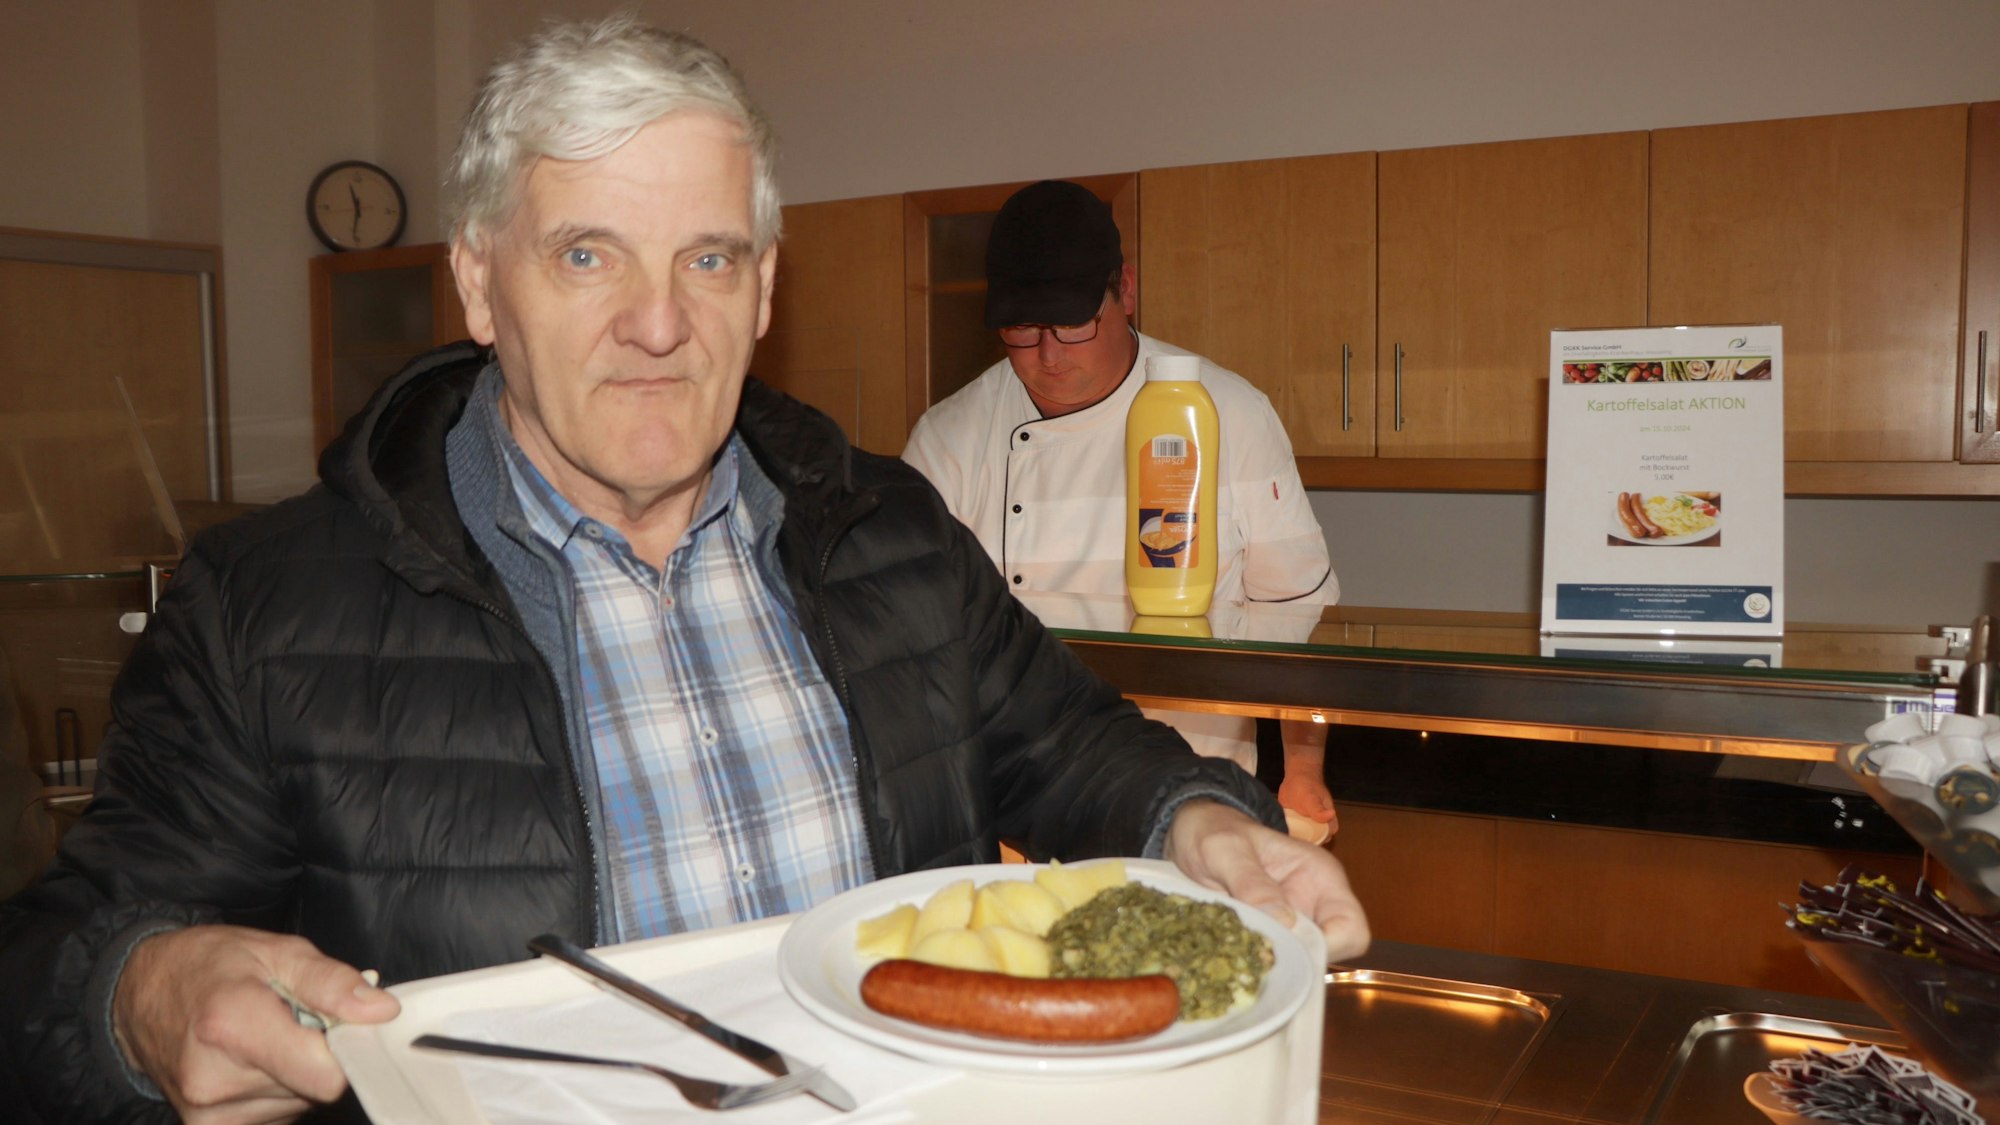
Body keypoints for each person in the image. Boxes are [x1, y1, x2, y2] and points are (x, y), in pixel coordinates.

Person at [0, 17, 1366, 1123]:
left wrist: (1195, 818)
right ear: (481, 284)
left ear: (764, 289)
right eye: (587, 252)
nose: (659, 322)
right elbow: (53, 968)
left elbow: (1069, 746)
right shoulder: (261, 608)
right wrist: (143, 996)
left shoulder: (884, 525)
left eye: (707, 256)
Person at [902, 180, 1341, 837]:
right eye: (1023, 328)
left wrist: (1303, 769)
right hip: (1013, 798)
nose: (1047, 355)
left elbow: (1295, 618)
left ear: (1125, 291)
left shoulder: (1228, 415)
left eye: (1073, 322)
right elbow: (913, 640)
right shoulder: (949, 439)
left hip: (1193, 795)